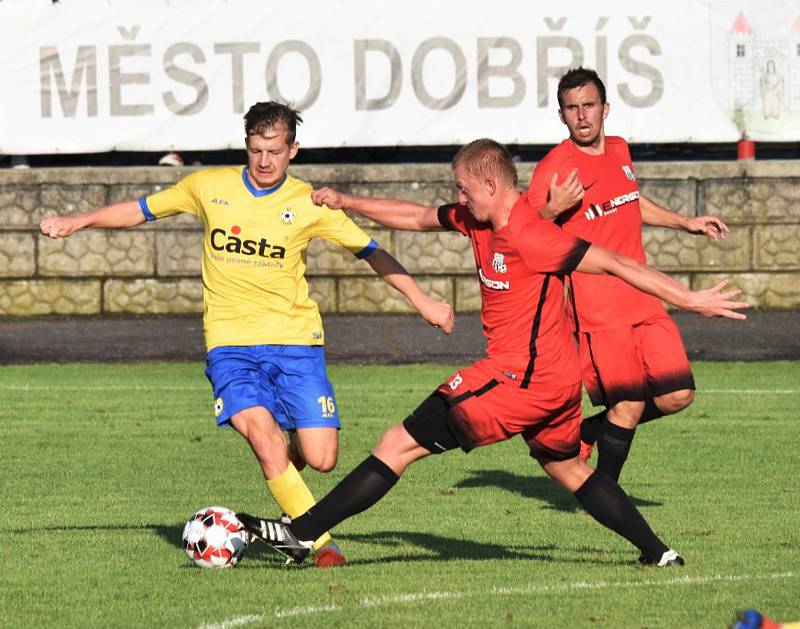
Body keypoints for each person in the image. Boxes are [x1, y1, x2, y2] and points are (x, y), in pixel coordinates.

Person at [234, 138, 747, 566]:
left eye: (464, 187)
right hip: (554, 383)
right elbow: (415, 217)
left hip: (518, 380)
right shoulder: (480, 220)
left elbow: (616, 262)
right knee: (569, 469)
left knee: (398, 442)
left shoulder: (532, 235)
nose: (459, 195)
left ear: (492, 185)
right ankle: (658, 553)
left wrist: (689, 299)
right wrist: (347, 201)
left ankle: (302, 533)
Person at [39, 100, 454, 568]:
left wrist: (422, 300)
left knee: (322, 458)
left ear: (293, 149)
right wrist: (78, 222)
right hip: (230, 343)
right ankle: (319, 544)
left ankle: (289, 471)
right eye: (256, 150)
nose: (263, 161)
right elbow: (139, 211)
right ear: (247, 145)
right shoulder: (207, 186)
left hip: (296, 342)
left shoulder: (308, 203)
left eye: (274, 151)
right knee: (262, 435)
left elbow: (372, 252)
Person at [527, 67, 731, 479]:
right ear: (561, 115)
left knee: (678, 394)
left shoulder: (619, 149)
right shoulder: (554, 169)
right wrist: (552, 208)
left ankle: (589, 430)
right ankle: (606, 492)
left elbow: (629, 200)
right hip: (598, 312)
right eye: (572, 108)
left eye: (588, 106)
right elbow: (524, 233)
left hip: (645, 299)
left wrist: (684, 221)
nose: (582, 115)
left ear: (606, 109)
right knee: (629, 404)